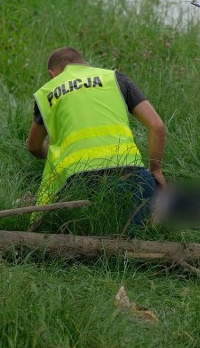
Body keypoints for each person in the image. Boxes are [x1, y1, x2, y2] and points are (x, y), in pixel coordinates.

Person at [26, 47, 167, 224]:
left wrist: (59, 157)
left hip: (79, 184)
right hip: (130, 175)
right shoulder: (114, 79)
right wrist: (156, 170)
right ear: (85, 64)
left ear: (52, 73)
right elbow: (157, 126)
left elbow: (33, 146)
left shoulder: (48, 92)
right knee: (152, 211)